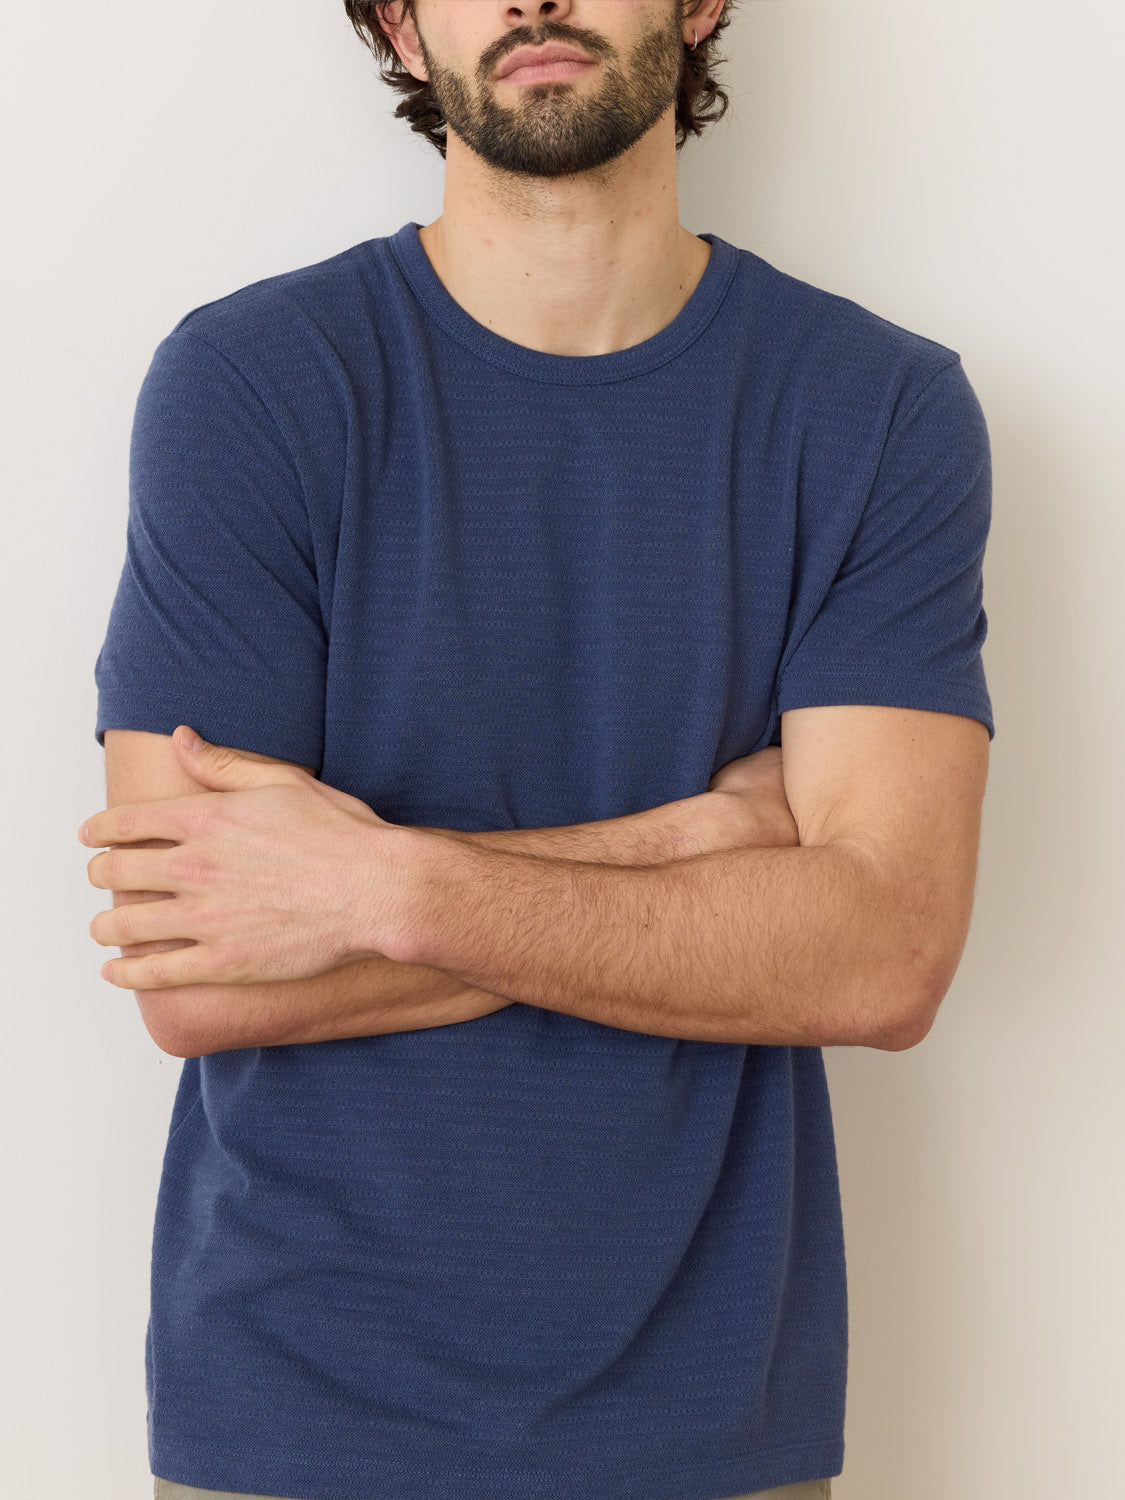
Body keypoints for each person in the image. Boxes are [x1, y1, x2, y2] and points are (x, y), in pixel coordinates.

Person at [85, 2, 994, 1497]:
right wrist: (690, 846)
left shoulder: (873, 410)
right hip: (294, 1419)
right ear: (394, 22)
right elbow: (199, 977)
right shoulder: (250, 383)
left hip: (711, 1422)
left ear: (699, 3)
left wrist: (371, 887)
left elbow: (881, 957)